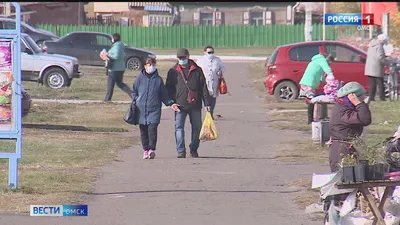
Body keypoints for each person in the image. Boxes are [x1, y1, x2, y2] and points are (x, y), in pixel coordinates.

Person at [166, 48, 212, 158]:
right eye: (180, 58)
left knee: (197, 128)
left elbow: (203, 87)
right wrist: (171, 102)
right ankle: (181, 150)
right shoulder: (173, 71)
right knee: (179, 128)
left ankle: (194, 148)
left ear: (188, 56)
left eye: (183, 57)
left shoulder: (197, 70)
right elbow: (168, 88)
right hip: (179, 105)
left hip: (195, 105)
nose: (182, 60)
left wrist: (207, 103)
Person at [132, 58, 180, 159]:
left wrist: (171, 103)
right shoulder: (139, 78)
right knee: (143, 131)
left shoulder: (158, 80)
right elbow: (134, 91)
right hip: (141, 109)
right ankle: (145, 150)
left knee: (152, 129)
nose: (151, 66)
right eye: (148, 64)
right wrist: (136, 100)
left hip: (154, 110)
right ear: (144, 66)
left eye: (152, 64)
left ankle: (151, 149)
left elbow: (164, 94)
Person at [328, 82, 372, 172]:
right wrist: (359, 104)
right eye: (362, 97)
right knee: (345, 179)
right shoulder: (342, 110)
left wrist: (359, 104)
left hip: (345, 148)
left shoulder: (344, 107)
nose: (363, 100)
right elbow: (365, 119)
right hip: (342, 151)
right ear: (354, 97)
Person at [299, 53, 335, 124]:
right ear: (327, 60)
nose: (329, 65)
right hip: (309, 83)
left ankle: (312, 119)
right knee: (311, 101)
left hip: (307, 83)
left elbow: (320, 76)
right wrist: (331, 75)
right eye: (329, 63)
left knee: (311, 100)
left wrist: (327, 83)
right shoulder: (322, 60)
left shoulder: (316, 61)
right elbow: (327, 69)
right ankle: (310, 120)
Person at [196, 45, 226, 119]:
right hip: (204, 82)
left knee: (213, 98)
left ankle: (211, 113)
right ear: (205, 52)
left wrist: (220, 71)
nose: (211, 54)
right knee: (205, 97)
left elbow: (223, 68)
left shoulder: (217, 60)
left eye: (212, 52)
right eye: (209, 52)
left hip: (214, 82)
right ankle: (207, 113)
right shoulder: (200, 60)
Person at [102, 33, 132, 102]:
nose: (111, 40)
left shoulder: (117, 46)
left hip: (114, 69)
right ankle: (132, 94)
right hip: (120, 68)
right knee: (120, 83)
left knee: (110, 84)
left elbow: (116, 56)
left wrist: (108, 55)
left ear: (114, 39)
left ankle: (107, 99)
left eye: (112, 38)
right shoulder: (119, 45)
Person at [365, 34, 391, 102]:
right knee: (380, 83)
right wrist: (386, 62)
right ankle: (382, 97)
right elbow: (380, 57)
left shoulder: (372, 45)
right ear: (382, 40)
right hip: (376, 67)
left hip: (370, 67)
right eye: (385, 41)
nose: (385, 42)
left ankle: (371, 97)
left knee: (372, 84)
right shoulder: (379, 46)